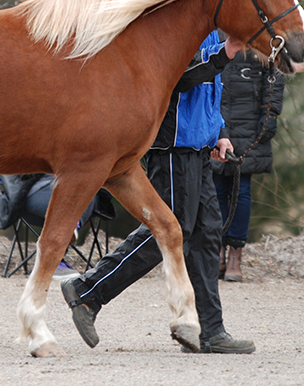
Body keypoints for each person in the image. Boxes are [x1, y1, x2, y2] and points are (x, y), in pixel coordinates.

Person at [61, 30, 256, 354]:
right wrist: (225, 52)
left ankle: (208, 331)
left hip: (198, 147)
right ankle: (88, 291)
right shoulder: (181, 25)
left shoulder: (213, 29)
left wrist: (220, 132)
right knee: (165, 231)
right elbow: (181, 75)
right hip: (173, 147)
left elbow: (210, 89)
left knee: (207, 236)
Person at [213, 49, 285, 282]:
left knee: (240, 189)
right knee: (215, 188)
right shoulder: (214, 35)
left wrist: (270, 115)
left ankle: (235, 253)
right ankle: (217, 250)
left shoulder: (260, 41)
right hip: (217, 118)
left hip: (249, 123)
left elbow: (274, 76)